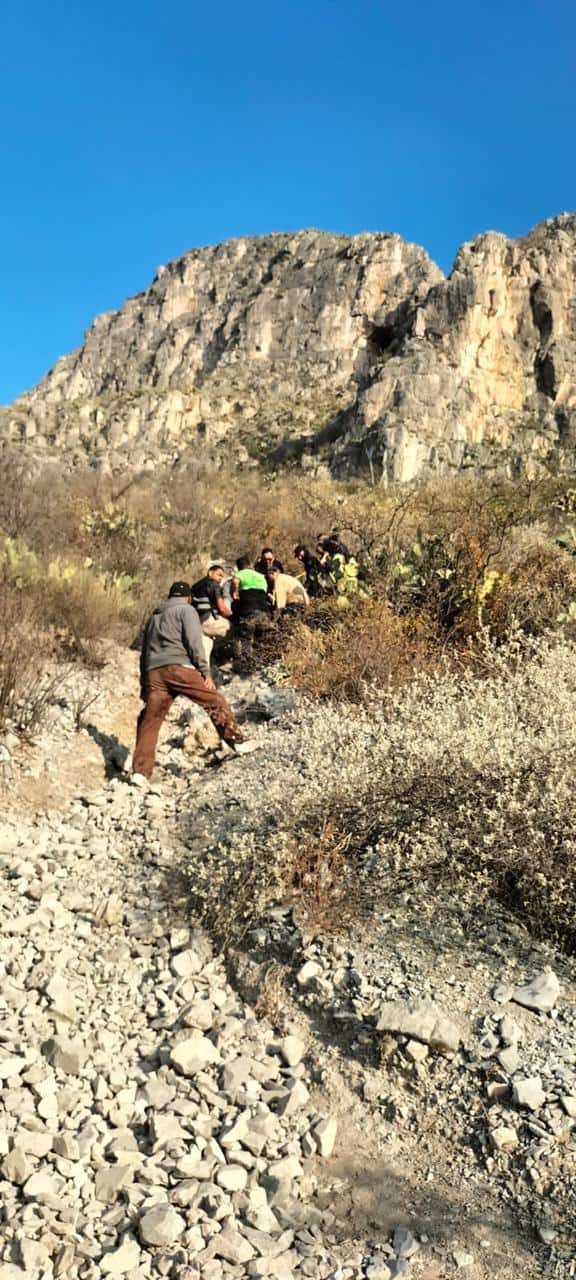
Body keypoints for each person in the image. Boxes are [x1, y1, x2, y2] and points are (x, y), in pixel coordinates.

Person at [132, 581, 257, 781]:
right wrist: (205, 672)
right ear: (189, 597)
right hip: (178, 668)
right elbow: (194, 642)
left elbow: (144, 651)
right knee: (214, 700)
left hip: (153, 672)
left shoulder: (153, 617)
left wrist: (144, 683)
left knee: (150, 720)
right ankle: (237, 741)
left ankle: (140, 772)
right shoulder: (186, 610)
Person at [231, 555, 273, 666]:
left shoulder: (241, 573)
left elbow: (235, 582)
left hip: (249, 609)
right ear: (249, 565)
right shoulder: (260, 576)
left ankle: (247, 666)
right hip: (264, 610)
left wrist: (234, 593)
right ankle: (266, 663)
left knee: (246, 638)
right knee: (262, 637)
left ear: (239, 567)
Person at [191, 564, 232, 664]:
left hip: (196, 623)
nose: (220, 578)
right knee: (233, 629)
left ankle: (210, 671)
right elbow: (222, 608)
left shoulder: (195, 586)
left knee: (206, 649)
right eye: (219, 575)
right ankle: (223, 661)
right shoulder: (213, 584)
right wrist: (231, 616)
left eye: (222, 576)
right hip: (208, 620)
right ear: (210, 573)